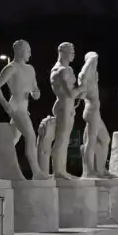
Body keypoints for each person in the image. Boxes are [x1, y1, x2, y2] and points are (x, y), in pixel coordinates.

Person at [0, 39, 48, 179]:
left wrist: (36, 94)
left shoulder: (30, 69)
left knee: (11, 141)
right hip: (16, 108)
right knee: (31, 135)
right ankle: (36, 172)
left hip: (24, 107)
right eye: (28, 50)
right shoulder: (12, 68)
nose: (30, 54)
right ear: (20, 51)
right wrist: (5, 105)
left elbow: (35, 89)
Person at [49, 42, 85, 179]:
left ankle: (61, 170)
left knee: (64, 140)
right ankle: (58, 171)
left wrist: (80, 92)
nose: (73, 55)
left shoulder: (65, 69)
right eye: (71, 52)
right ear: (63, 52)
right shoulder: (61, 70)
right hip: (64, 106)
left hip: (67, 106)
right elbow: (70, 93)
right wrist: (82, 88)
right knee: (61, 139)